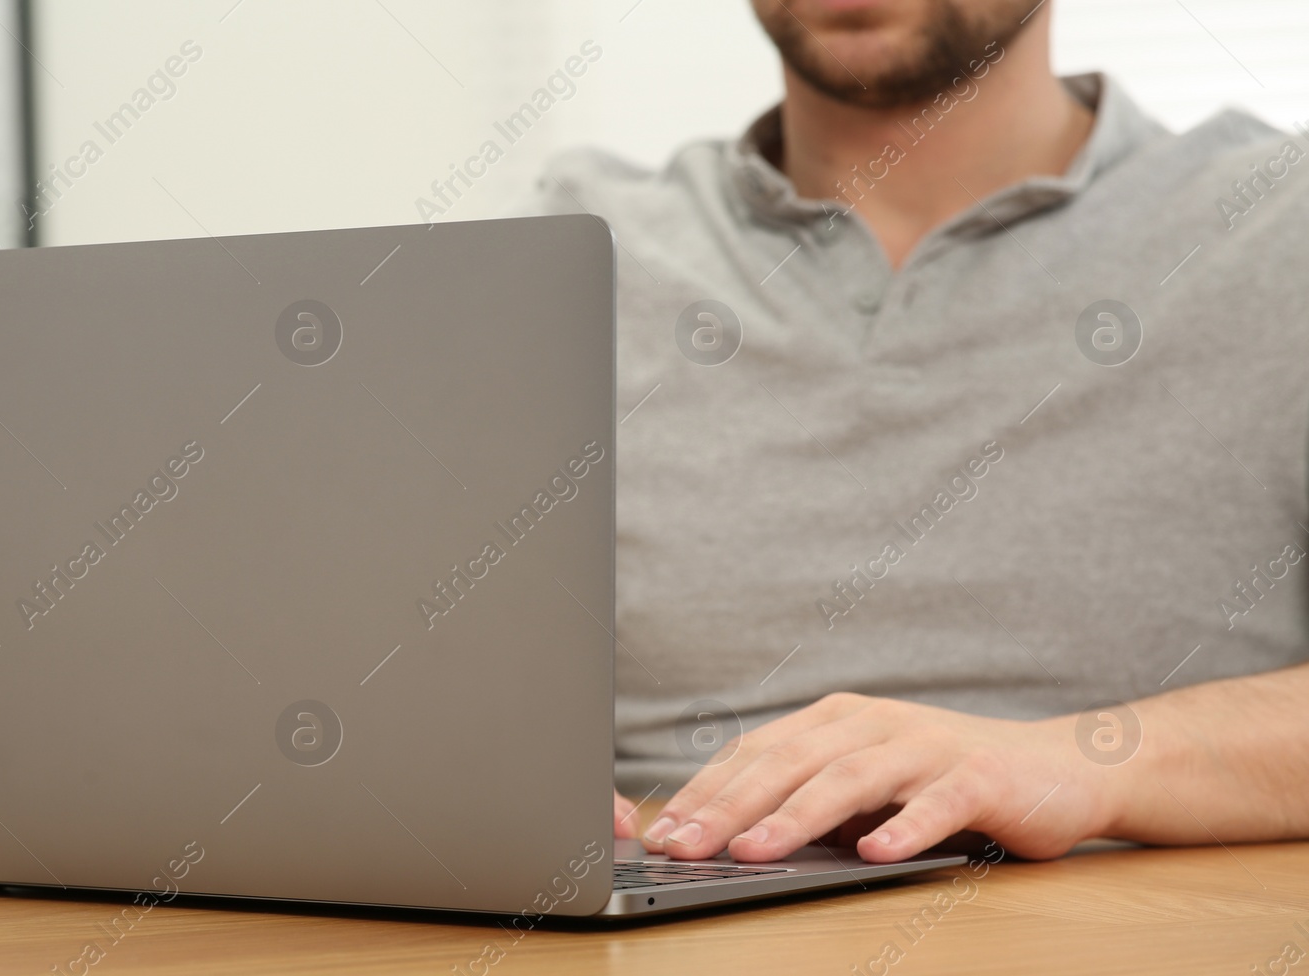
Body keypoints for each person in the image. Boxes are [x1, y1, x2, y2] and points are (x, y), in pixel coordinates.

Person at [516, 0, 1309, 863]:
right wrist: (484, 754)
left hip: (1114, 947)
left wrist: (1081, 761)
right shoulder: (575, 242)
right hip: (660, 928)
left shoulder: (1278, 223)